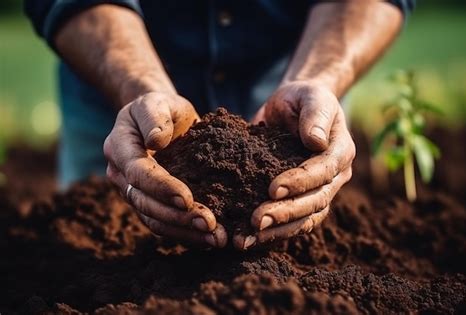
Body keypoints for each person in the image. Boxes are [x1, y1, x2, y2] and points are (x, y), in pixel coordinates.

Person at [25, 0, 414, 250]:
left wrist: (317, 80)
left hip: (293, 87)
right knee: (89, 248)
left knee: (297, 229)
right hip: (118, 86)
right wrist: (139, 88)